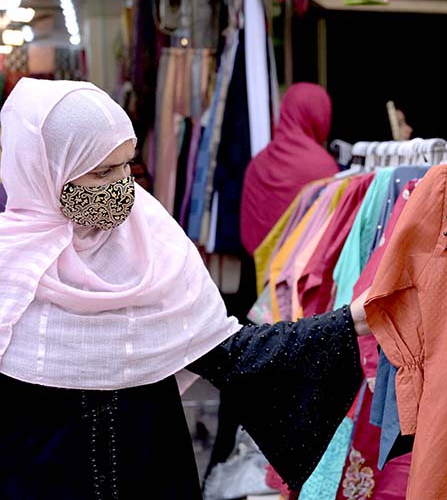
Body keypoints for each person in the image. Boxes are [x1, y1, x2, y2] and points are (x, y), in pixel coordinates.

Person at [0, 78, 370, 500]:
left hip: (153, 477)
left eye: (129, 165)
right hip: (34, 481)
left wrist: (347, 323)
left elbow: (227, 352)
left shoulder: (152, 242)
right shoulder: (8, 265)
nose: (124, 186)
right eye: (103, 171)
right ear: (44, 170)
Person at [240, 83, 340, 256]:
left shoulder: (257, 163)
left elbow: (249, 232)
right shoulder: (324, 167)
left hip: (257, 273)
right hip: (304, 276)